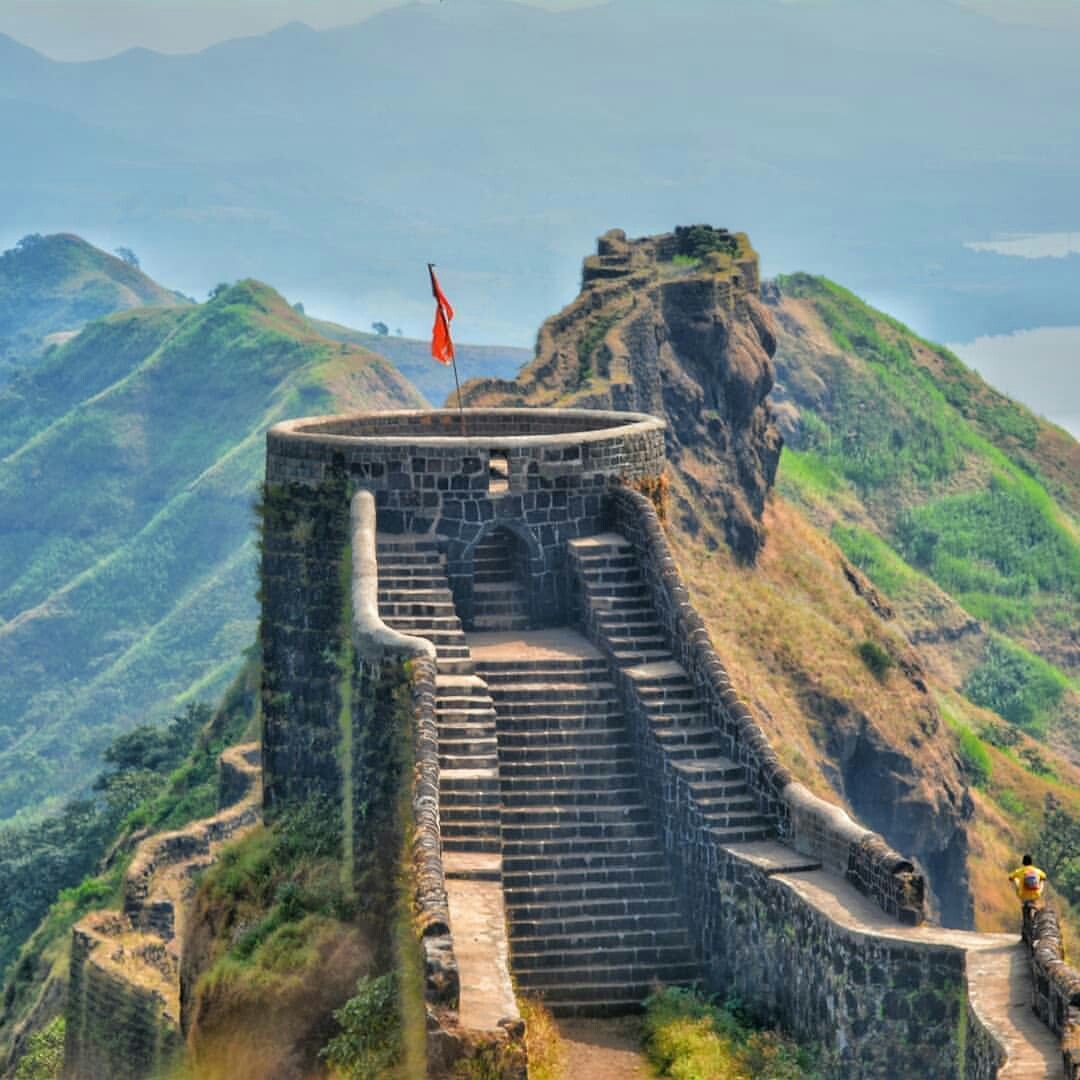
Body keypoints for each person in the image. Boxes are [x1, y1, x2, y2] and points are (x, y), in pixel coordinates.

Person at [1008, 854, 1047, 942]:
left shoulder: (1020, 870)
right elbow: (1044, 877)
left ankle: (1026, 931)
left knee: (1016, 880)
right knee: (1042, 881)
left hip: (1023, 896)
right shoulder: (1037, 870)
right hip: (1036, 895)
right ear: (1031, 862)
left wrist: (1013, 879)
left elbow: (1010, 877)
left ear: (1023, 862)